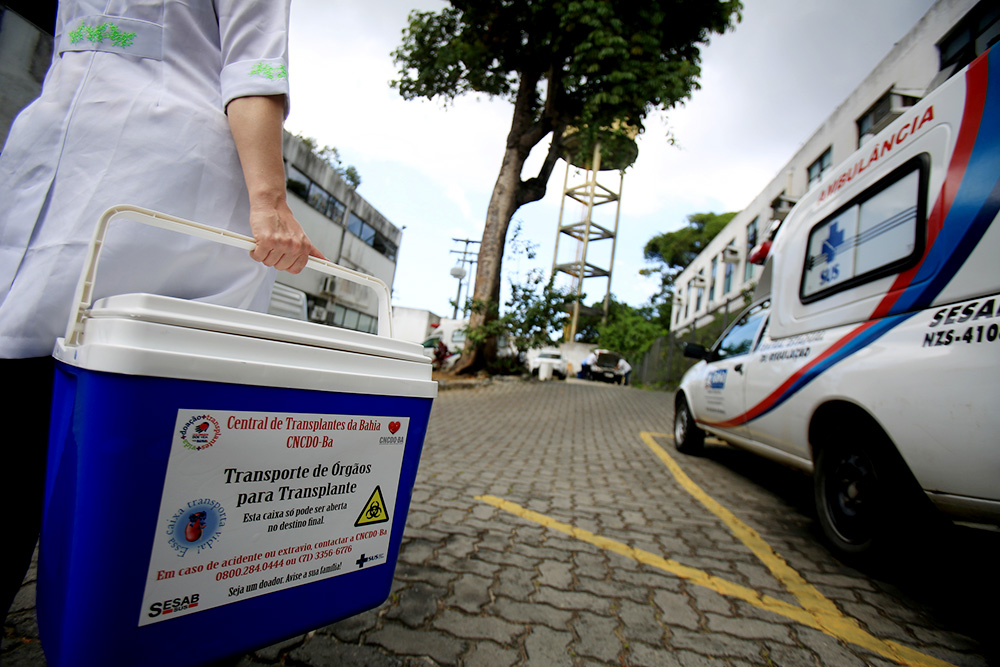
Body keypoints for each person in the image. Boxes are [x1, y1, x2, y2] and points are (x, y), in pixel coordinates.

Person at [0, 0, 321, 622]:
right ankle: (122, 614)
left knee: (82, 407)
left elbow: (252, 67)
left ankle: (121, 614)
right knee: (123, 428)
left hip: (153, 185)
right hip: (94, 166)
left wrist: (269, 200)